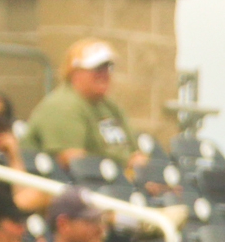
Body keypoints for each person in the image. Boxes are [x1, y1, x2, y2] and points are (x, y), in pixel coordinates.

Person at [22, 38, 141, 172]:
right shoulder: (62, 105)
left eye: (108, 67)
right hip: (79, 185)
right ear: (74, 73)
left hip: (118, 181)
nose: (105, 74)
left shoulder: (110, 107)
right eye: (97, 68)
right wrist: (127, 167)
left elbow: (136, 154)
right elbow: (73, 161)